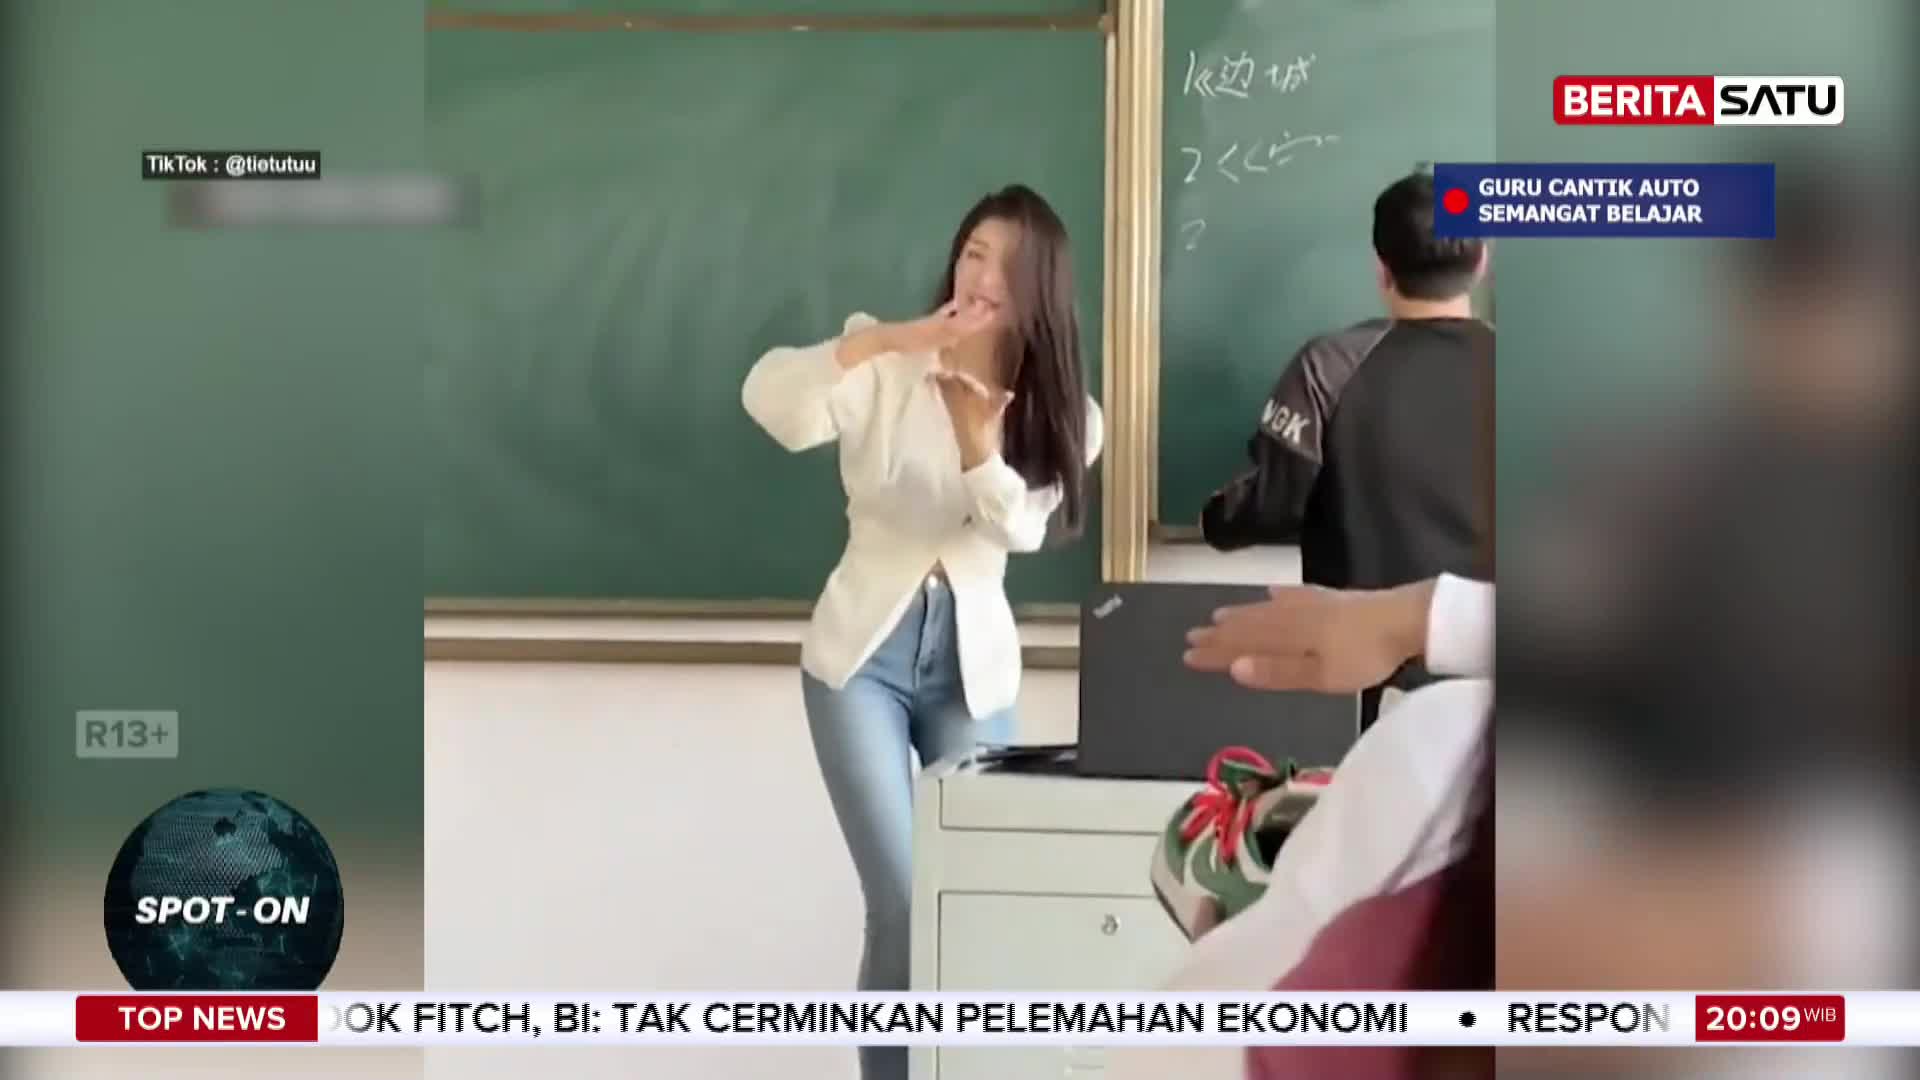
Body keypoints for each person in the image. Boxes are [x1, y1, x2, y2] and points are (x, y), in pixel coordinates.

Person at [741, 184, 1102, 1080]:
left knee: (970, 899)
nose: (982, 274)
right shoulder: (889, 362)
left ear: (1041, 290)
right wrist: (894, 341)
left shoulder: (1066, 413)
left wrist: (980, 444)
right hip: (859, 659)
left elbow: (1017, 530)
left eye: (1006, 265)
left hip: (973, 669)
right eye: (973, 251)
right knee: (901, 899)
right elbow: (772, 402)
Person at [1200, 170, 1493, 727]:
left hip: (1361, 697)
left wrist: (1216, 518)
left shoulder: (1328, 367)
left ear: (1381, 267)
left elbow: (1271, 503)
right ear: (1481, 262)